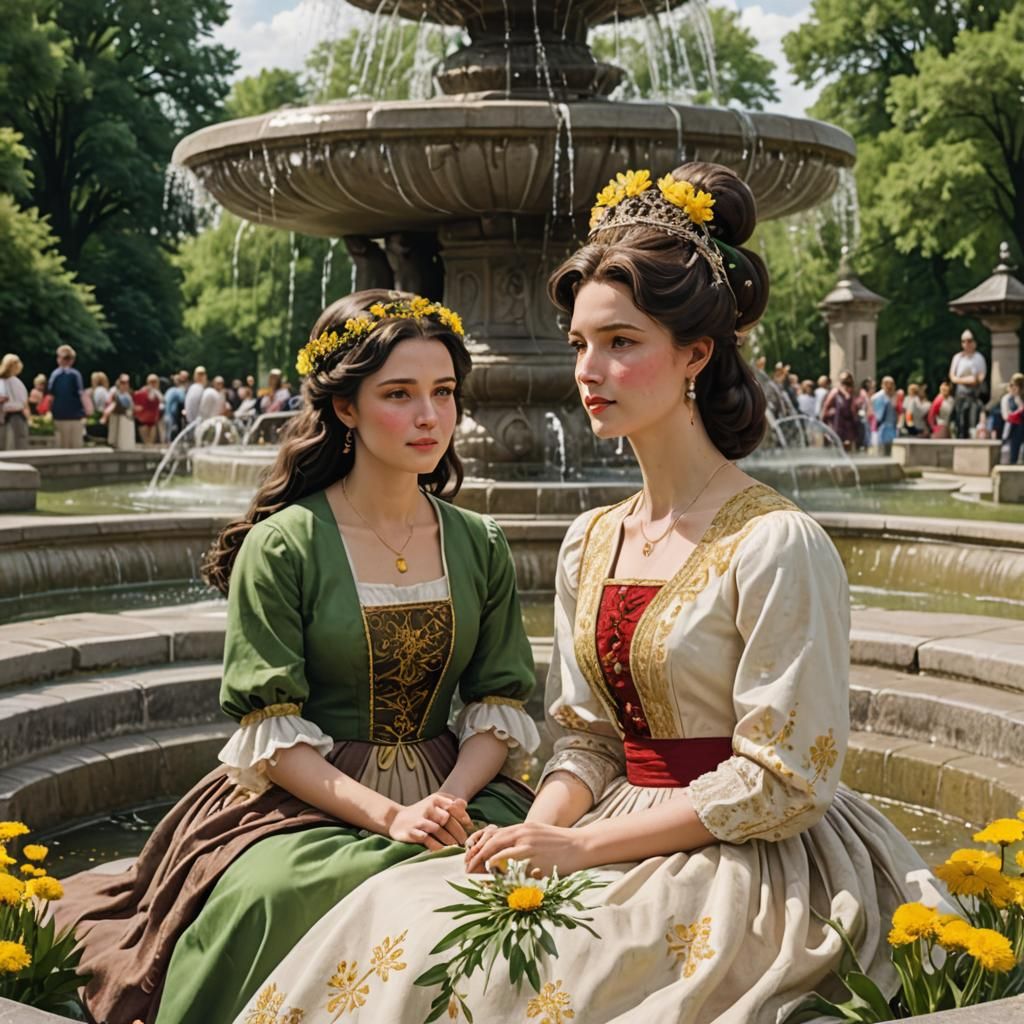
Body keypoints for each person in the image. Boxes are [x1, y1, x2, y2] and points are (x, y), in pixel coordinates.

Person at [233, 164, 941, 1024]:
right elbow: (586, 738)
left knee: (519, 976)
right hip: (602, 824)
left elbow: (783, 782)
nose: (589, 369)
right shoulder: (592, 539)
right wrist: (534, 833)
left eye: (621, 342)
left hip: (742, 859)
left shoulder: (776, 543)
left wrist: (578, 844)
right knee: (400, 911)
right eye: (578, 344)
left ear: (696, 354)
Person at [56, 290, 540, 1024]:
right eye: (399, 394)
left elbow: (497, 705)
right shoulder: (283, 546)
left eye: (443, 392)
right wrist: (390, 818)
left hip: (457, 789)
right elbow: (270, 736)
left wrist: (451, 803)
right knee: (275, 898)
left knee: (536, 886)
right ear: (346, 408)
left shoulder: (480, 543)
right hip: (308, 797)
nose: (429, 417)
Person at [948, 329, 987, 439]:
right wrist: (969, 379)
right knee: (959, 424)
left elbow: (980, 378)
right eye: (964, 341)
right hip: (960, 395)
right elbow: (952, 377)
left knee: (972, 424)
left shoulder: (979, 358)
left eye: (969, 341)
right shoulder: (957, 358)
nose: (967, 344)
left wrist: (963, 379)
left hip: (974, 396)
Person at [47, 344, 87, 448]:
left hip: (59, 414)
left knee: (61, 446)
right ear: (72, 360)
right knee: (75, 446)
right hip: (75, 415)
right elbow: (81, 394)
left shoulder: (54, 375)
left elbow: (51, 395)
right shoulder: (75, 374)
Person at [820, 370, 860, 450]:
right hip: (837, 422)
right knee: (837, 444)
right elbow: (826, 406)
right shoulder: (835, 392)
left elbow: (854, 407)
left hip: (849, 422)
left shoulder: (853, 393)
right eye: (844, 382)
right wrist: (823, 421)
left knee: (848, 444)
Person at [0, 353, 30, 450]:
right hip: (12, 416)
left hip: (8, 416)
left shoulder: (11, 381)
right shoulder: (15, 382)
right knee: (16, 446)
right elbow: (23, 403)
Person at [100, 374, 136, 450]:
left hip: (127, 418)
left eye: (126, 383)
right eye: (123, 383)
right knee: (116, 436)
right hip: (118, 416)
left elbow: (131, 406)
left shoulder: (128, 394)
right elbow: (111, 404)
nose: (125, 385)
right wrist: (105, 416)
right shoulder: (114, 392)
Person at [870, 376, 898, 455]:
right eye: (889, 384)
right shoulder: (878, 397)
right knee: (881, 453)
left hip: (892, 428)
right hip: (881, 429)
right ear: (884, 385)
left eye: (892, 384)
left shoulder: (893, 396)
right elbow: (878, 416)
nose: (891, 387)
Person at [133, 374, 163, 446]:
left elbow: (161, 402)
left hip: (153, 420)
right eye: (151, 382)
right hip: (143, 420)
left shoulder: (158, 393)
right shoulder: (142, 392)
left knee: (151, 443)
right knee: (146, 443)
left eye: (155, 382)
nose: (153, 384)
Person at [1002, 372, 1024, 465]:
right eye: (1012, 385)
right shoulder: (1007, 398)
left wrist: (1019, 401)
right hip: (1013, 429)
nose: (1014, 387)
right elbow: (1006, 416)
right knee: (1012, 455)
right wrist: (1019, 409)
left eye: (1017, 385)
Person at [163, 371, 189, 441]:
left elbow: (164, 400)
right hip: (173, 416)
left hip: (166, 414)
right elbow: (182, 400)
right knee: (173, 435)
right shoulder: (179, 390)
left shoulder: (169, 390)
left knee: (167, 435)